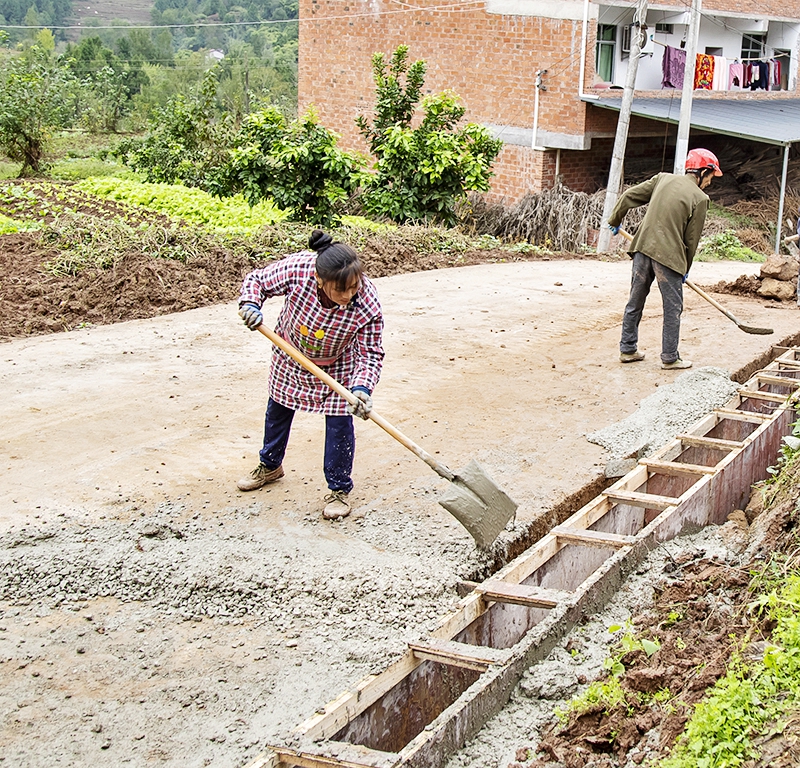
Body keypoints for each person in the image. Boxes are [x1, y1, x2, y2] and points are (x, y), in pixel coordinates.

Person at [236, 229, 384, 520]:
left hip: (339, 365)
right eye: (340, 290)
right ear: (319, 280)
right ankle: (270, 465)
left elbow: (370, 353)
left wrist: (362, 389)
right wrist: (251, 303)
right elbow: (257, 280)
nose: (348, 295)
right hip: (290, 353)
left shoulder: (367, 303)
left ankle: (339, 489)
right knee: (277, 410)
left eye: (353, 287)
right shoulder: (299, 269)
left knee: (340, 424)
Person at [608, 148, 722, 370]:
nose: (709, 183)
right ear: (703, 172)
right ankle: (670, 357)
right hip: (668, 258)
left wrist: (615, 219)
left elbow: (628, 196)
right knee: (672, 308)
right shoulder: (700, 198)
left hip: (642, 249)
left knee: (635, 301)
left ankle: (627, 349)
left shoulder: (662, 179)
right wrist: (684, 268)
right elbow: (692, 240)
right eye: (710, 177)